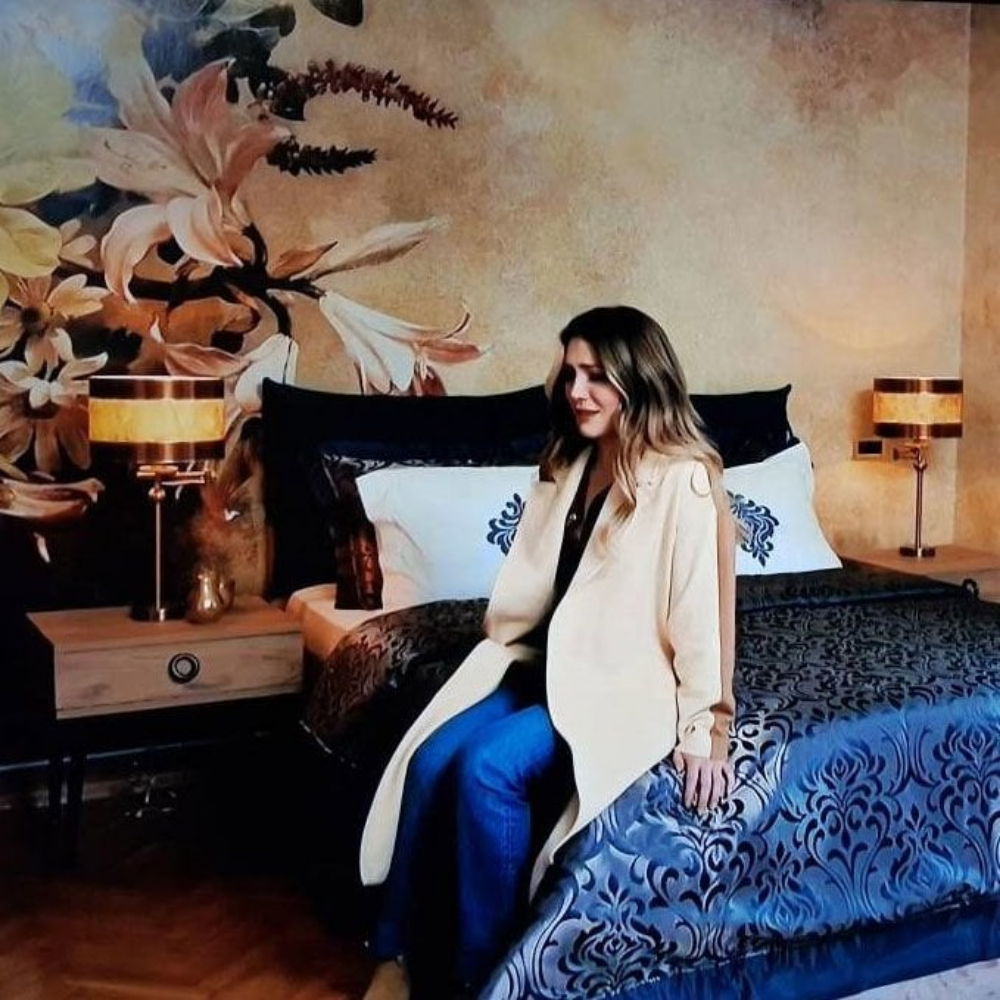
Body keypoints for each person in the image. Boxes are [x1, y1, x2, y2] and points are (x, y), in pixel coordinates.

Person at [358, 305, 737, 1000]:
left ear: (639, 379)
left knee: (486, 769)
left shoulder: (682, 476)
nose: (577, 391)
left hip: (617, 682)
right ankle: (395, 953)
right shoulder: (572, 461)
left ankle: (490, 977)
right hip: (539, 662)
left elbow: (702, 611)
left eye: (596, 376)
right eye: (570, 374)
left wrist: (706, 725)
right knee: (430, 759)